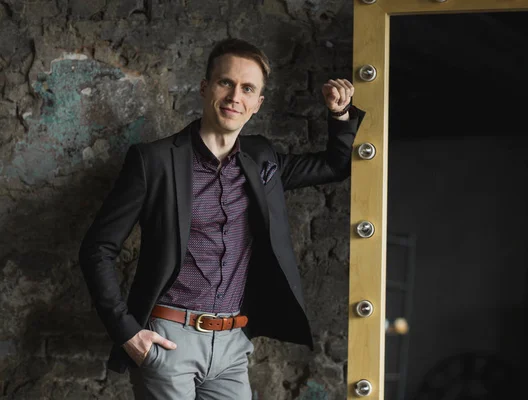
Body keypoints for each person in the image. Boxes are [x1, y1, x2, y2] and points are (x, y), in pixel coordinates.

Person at [79, 37, 365, 399]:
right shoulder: (153, 161)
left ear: (257, 104)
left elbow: (334, 165)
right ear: (205, 87)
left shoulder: (263, 158)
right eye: (225, 82)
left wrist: (339, 114)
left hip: (232, 345)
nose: (235, 97)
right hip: (169, 340)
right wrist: (128, 333)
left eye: (247, 88)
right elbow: (97, 248)